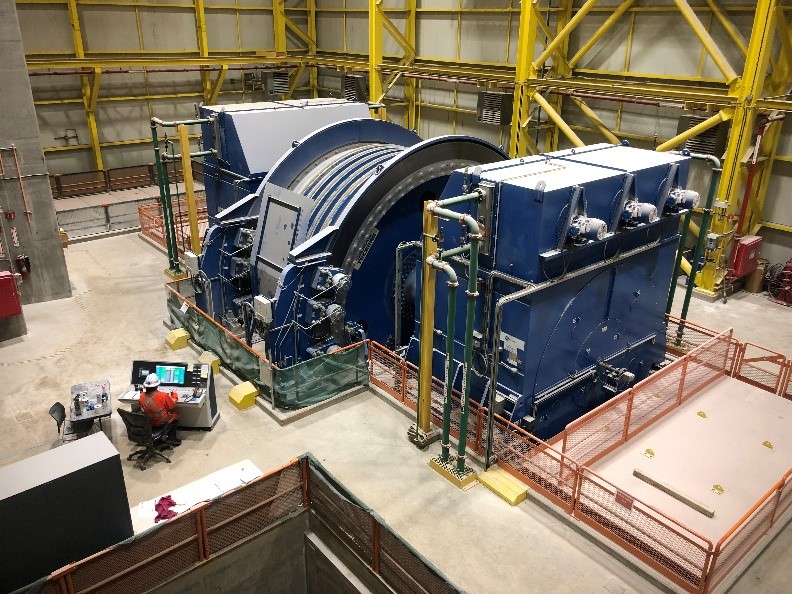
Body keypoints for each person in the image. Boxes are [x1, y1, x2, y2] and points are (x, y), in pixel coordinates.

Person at [139, 373, 181, 446]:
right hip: (160, 422)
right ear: (157, 385)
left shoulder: (141, 396)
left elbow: (141, 406)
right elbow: (172, 406)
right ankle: (171, 439)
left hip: (148, 423)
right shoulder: (163, 395)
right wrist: (174, 395)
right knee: (175, 414)